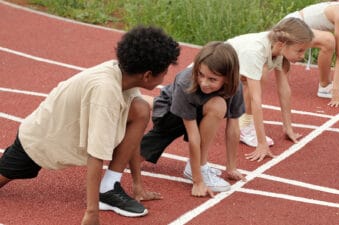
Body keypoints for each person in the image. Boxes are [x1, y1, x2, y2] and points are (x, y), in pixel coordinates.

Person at [0, 25, 180, 225]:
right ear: (147, 75)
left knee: (141, 109)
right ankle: (102, 195)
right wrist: (92, 212)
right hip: (39, 141)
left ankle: (109, 187)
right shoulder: (106, 92)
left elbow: (135, 133)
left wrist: (138, 186)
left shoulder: (124, 76)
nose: (164, 78)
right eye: (163, 73)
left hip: (64, 133)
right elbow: (96, 155)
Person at [139, 41, 246, 198]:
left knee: (218, 104)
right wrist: (198, 180)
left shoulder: (235, 86)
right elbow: (193, 136)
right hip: (170, 113)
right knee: (128, 159)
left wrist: (231, 167)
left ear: (228, 79)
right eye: (200, 74)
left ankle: (200, 165)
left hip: (199, 109)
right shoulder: (186, 83)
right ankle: (135, 103)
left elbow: (233, 128)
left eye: (212, 79)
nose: (204, 82)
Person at [226, 18, 314, 162]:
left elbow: (284, 89)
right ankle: (244, 127)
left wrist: (288, 127)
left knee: (259, 74)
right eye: (299, 50)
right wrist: (262, 143)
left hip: (230, 77)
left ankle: (243, 124)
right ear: (282, 45)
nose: (303, 56)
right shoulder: (256, 51)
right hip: (215, 76)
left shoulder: (277, 48)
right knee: (259, 75)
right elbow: (256, 98)